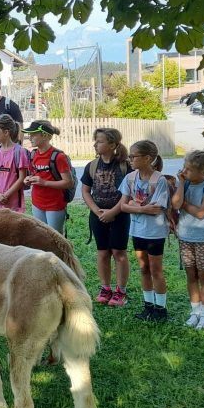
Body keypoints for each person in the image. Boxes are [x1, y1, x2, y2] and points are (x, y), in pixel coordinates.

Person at [120, 140, 170, 322]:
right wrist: (141, 208)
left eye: (133, 156)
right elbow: (123, 206)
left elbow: (156, 209)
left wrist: (134, 205)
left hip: (155, 232)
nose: (130, 159)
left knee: (156, 270)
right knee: (144, 268)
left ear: (148, 158)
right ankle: (148, 306)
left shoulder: (160, 180)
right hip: (137, 230)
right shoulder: (130, 178)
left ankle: (161, 309)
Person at [81, 128, 131, 307]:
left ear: (112, 144)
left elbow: (128, 194)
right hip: (97, 216)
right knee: (102, 252)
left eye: (100, 141)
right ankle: (105, 288)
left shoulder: (125, 166)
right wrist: (97, 211)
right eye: (95, 140)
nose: (95, 144)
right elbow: (86, 191)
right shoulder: (92, 165)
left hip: (120, 215)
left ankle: (121, 291)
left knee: (119, 252)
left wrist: (113, 212)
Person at [171, 148, 204, 330]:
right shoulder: (185, 183)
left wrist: (184, 204)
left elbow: (201, 213)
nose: (184, 171)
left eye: (189, 169)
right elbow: (175, 204)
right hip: (185, 236)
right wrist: (181, 184)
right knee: (191, 275)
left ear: (202, 171)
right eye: (184, 167)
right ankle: (195, 312)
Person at [22, 120, 71, 234]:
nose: (30, 137)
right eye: (29, 134)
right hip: (37, 203)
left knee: (55, 237)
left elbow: (68, 183)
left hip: (54, 205)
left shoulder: (58, 157)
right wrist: (28, 179)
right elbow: (35, 174)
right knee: (42, 236)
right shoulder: (33, 154)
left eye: (33, 134)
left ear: (44, 136)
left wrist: (44, 182)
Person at [0, 114, 30, 212]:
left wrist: (6, 195)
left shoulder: (19, 152)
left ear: (6, 132)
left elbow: (21, 178)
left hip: (13, 204)